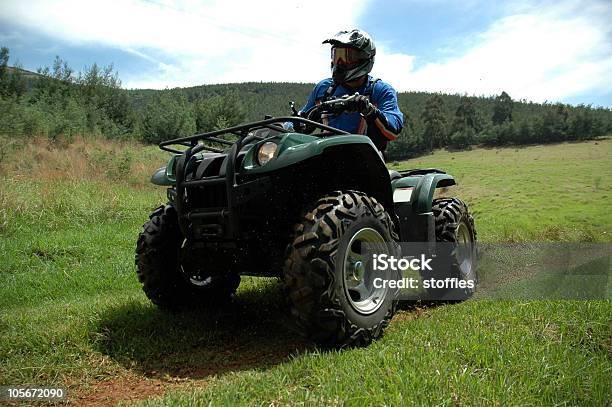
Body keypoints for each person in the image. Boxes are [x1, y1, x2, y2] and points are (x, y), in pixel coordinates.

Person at [299, 29, 404, 153]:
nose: (339, 63)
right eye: (336, 56)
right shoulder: (324, 88)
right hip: (327, 156)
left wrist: (369, 110)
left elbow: (393, 130)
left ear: (365, 58)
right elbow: (302, 120)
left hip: (366, 159)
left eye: (347, 56)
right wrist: (282, 125)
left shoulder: (380, 90)